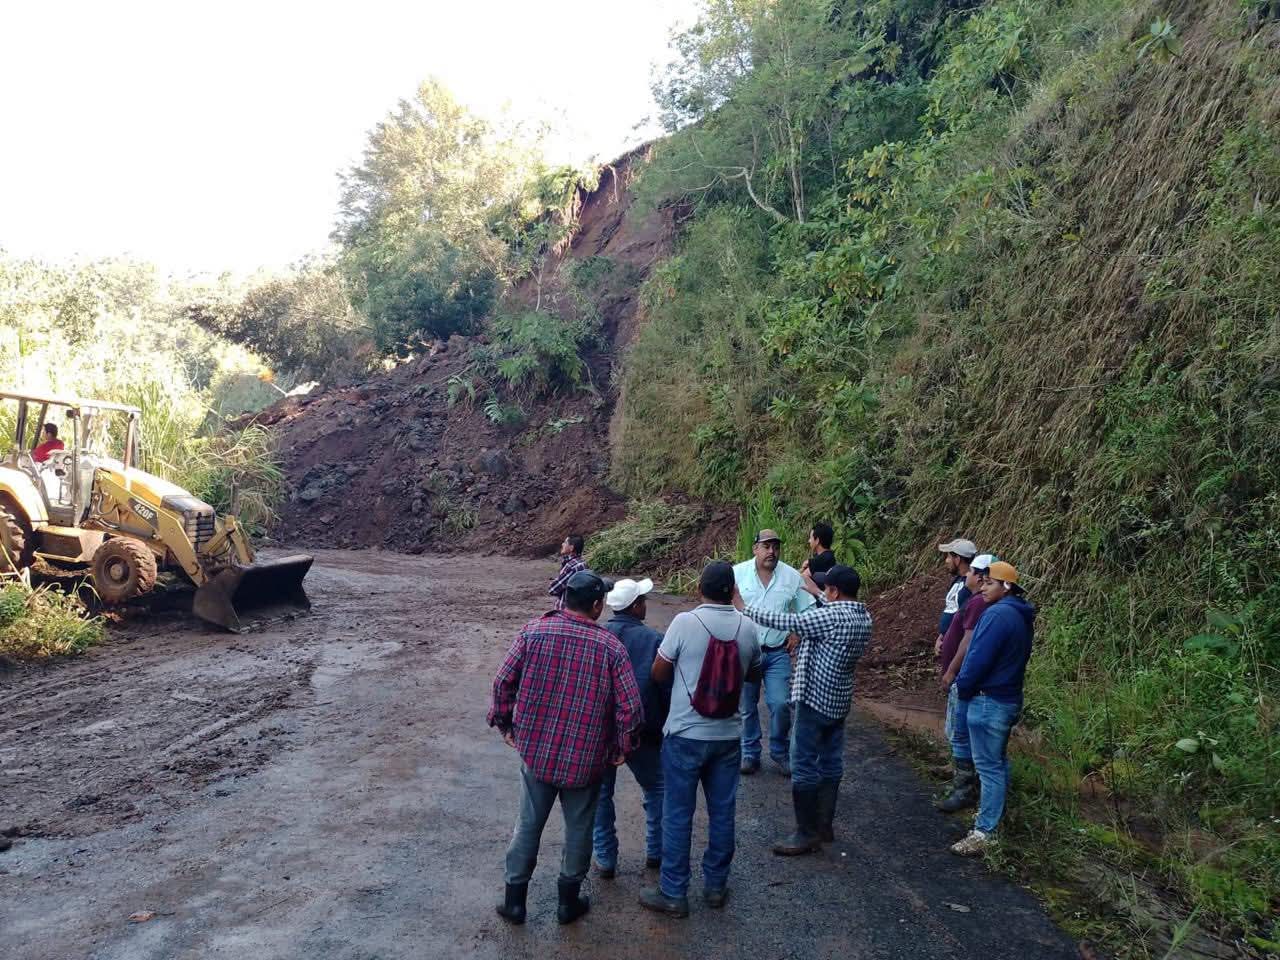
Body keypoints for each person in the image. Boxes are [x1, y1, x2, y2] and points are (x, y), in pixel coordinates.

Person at [488, 570, 644, 925]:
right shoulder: (610, 648)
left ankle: (515, 901)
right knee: (579, 828)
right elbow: (631, 708)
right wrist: (623, 745)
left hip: (537, 753)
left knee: (528, 824)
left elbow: (502, 682)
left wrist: (505, 724)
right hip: (587, 759)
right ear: (595, 605)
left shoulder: (533, 631)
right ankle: (567, 903)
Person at [639, 561, 761, 919]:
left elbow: (658, 673)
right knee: (723, 812)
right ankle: (715, 886)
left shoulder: (684, 623)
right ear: (733, 590)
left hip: (685, 734)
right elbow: (754, 675)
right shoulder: (748, 627)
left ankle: (674, 893)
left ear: (700, 590)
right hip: (728, 736)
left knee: (678, 814)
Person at [739, 564, 872, 855]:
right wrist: (816, 593)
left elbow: (780, 619)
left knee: (803, 765)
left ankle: (805, 832)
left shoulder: (826, 617)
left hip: (813, 701)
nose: (823, 592)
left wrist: (744, 607)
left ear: (835, 591)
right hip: (838, 701)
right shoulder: (863, 616)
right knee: (831, 763)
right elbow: (833, 611)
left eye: (826, 589)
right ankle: (824, 825)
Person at [950, 561, 1035, 856]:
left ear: (1006, 586)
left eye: (990, 583)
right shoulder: (1020, 615)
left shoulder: (997, 615)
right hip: (1007, 696)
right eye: (983, 582)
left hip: (989, 699)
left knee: (988, 766)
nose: (983, 587)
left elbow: (978, 657)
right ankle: (993, 819)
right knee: (995, 763)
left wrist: (964, 685)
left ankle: (985, 831)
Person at [592, 576, 670, 879]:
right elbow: (665, 687)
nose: (645, 605)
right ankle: (656, 851)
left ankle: (605, 858)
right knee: (657, 789)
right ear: (636, 607)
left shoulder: (597, 636)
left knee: (601, 796)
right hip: (643, 731)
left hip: (602, 732)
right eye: (643, 600)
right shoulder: (653, 640)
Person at [734, 530, 815, 776]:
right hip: (746, 652)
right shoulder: (737, 573)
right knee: (747, 707)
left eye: (775, 547)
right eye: (766, 546)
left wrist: (797, 632)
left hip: (777, 652)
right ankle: (749, 753)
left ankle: (780, 752)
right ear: (755, 549)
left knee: (780, 704)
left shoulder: (791, 576)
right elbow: (724, 606)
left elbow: (806, 610)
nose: (772, 551)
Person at [935, 553, 996, 813]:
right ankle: (962, 781)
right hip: (964, 675)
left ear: (981, 576)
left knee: (961, 734)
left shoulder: (978, 603)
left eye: (971, 571)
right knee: (959, 733)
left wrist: (951, 671)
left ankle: (965, 789)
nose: (967, 575)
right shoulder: (973, 600)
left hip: (964, 677)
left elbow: (968, 640)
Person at [934, 538, 977, 656]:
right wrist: (941, 636)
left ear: (957, 559)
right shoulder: (957, 580)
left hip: (959, 646)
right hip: (949, 643)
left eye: (948, 557)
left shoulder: (972, 584)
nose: (946, 561)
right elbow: (952, 608)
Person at [799, 522, 837, 600]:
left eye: (811, 538)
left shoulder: (821, 559)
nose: (809, 541)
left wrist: (816, 591)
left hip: (821, 601)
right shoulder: (829, 556)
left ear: (817, 540)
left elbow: (803, 576)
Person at [548, 534, 587, 610]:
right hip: (577, 609)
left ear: (571, 548)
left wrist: (553, 583)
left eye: (565, 543)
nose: (562, 544)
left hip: (565, 611)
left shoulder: (572, 566)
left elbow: (553, 589)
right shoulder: (581, 563)